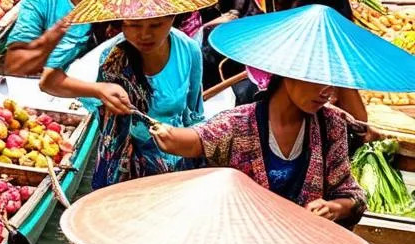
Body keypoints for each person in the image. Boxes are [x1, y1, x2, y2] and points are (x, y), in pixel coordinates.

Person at [151, 75, 366, 225]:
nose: (327, 92)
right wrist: (167, 134)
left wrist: (335, 208)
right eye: (318, 79)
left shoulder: (331, 125)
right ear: (287, 71)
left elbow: (352, 195)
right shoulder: (238, 123)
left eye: (332, 82)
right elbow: (197, 139)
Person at [41, 10, 204, 189]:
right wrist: (100, 90)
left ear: (173, 18)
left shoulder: (188, 50)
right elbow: (48, 83)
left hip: (171, 158)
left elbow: (194, 114)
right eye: (134, 25)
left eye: (156, 25)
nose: (145, 35)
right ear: (121, 23)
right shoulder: (112, 57)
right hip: (121, 162)